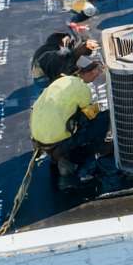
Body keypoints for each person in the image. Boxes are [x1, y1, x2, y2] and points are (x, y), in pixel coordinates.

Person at [29, 55, 111, 190]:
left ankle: (57, 155)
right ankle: (78, 167)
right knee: (102, 119)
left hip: (38, 137)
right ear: (89, 72)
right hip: (56, 140)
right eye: (97, 72)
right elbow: (91, 115)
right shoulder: (82, 88)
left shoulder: (62, 80)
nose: (97, 76)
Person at [32, 31, 99, 80]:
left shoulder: (56, 45)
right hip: (48, 72)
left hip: (54, 64)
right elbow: (63, 60)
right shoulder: (54, 58)